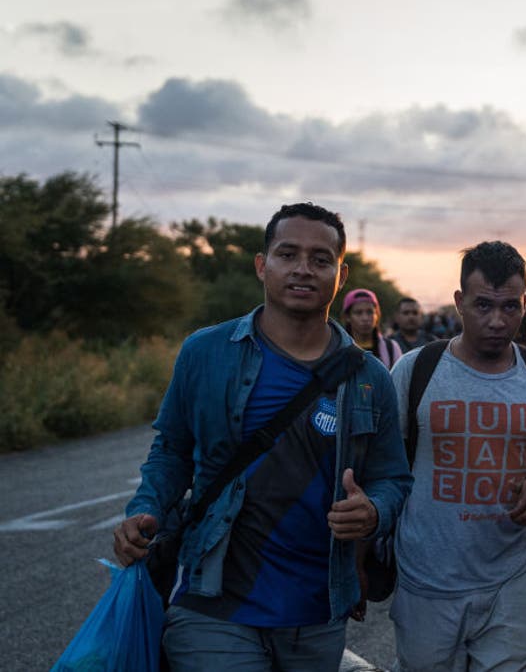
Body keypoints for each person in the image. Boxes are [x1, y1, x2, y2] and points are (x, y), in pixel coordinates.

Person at [112, 202, 412, 671]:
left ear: (341, 273)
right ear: (261, 265)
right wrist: (145, 509)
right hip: (213, 600)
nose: (303, 269)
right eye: (287, 254)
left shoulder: (370, 377)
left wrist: (373, 511)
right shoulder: (205, 353)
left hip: (317, 611)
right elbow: (171, 450)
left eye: (320, 259)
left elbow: (393, 476)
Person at [389, 240, 526, 671]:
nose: (498, 320)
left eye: (511, 307)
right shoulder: (415, 370)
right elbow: (380, 469)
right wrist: (361, 561)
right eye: (483, 306)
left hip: (510, 580)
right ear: (459, 302)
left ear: (525, 302)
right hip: (426, 583)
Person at [343, 288, 403, 368]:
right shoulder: (337, 349)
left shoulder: (391, 349)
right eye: (358, 313)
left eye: (370, 312)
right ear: (347, 317)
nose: (365, 318)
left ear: (377, 315)